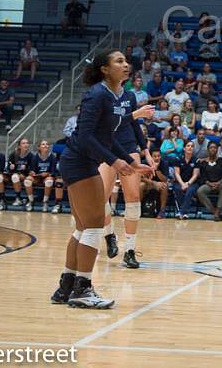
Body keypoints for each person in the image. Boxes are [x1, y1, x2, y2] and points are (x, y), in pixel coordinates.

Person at [50, 50, 152, 309]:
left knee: (83, 228)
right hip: (79, 162)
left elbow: (110, 137)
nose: (125, 64)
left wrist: (129, 161)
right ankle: (83, 290)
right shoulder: (97, 94)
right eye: (119, 61)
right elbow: (85, 137)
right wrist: (114, 161)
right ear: (105, 69)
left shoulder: (119, 96)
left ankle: (66, 286)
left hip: (82, 162)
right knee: (94, 226)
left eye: (125, 61)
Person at [100, 82, 155, 269]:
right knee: (101, 197)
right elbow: (109, 123)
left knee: (133, 197)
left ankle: (129, 250)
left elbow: (134, 125)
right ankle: (109, 235)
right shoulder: (101, 95)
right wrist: (136, 114)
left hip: (128, 146)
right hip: (106, 147)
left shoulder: (129, 96)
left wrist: (146, 150)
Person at [196, 141, 222, 221]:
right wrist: (209, 183)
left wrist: (218, 183)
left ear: (217, 149)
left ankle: (218, 210)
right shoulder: (203, 162)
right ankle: (215, 212)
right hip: (208, 184)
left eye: (214, 147)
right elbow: (202, 177)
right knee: (200, 191)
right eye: (211, 147)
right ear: (208, 149)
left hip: (220, 184)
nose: (213, 149)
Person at [171, 140, 200, 219]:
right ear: (184, 148)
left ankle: (181, 212)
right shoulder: (178, 158)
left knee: (189, 190)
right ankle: (185, 212)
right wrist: (182, 184)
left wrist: (187, 184)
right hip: (179, 181)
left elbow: (195, 175)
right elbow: (177, 173)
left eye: (192, 146)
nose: (190, 147)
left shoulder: (196, 160)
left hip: (192, 182)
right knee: (178, 189)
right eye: (188, 146)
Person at [30, 139, 61, 213]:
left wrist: (47, 174)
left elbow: (53, 172)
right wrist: (32, 173)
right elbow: (32, 170)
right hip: (38, 177)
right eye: (43, 144)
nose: (45, 145)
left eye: (47, 144)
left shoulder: (52, 157)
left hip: (48, 177)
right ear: (39, 147)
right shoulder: (35, 157)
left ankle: (45, 202)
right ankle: (31, 201)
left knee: (49, 181)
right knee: (27, 180)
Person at [7, 137, 36, 209]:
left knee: (26, 180)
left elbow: (33, 169)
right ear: (19, 146)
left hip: (27, 176)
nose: (26, 144)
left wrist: (26, 170)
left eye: (27, 143)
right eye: (23, 143)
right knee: (15, 177)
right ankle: (18, 198)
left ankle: (31, 200)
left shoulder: (31, 156)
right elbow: (9, 168)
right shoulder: (13, 155)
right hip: (17, 175)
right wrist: (11, 167)